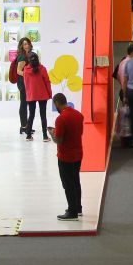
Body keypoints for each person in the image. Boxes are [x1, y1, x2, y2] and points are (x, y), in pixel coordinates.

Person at [48, 93, 85, 221]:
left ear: (57, 103)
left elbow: (59, 140)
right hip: (78, 153)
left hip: (65, 156)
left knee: (67, 184)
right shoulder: (78, 115)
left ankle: (72, 211)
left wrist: (53, 133)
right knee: (75, 181)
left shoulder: (61, 119)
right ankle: (78, 207)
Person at [23, 52, 53, 142]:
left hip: (31, 95)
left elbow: (26, 84)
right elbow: (47, 82)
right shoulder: (42, 69)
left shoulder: (25, 70)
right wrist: (49, 93)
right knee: (43, 115)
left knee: (31, 115)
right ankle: (45, 136)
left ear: (28, 60)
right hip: (43, 95)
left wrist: (28, 95)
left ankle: (28, 136)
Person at [15, 37, 35, 135]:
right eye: (24, 44)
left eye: (27, 43)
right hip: (23, 84)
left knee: (26, 104)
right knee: (23, 104)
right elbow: (18, 71)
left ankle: (26, 126)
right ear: (21, 46)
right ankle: (24, 126)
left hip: (27, 83)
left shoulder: (28, 55)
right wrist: (28, 75)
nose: (26, 45)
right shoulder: (22, 57)